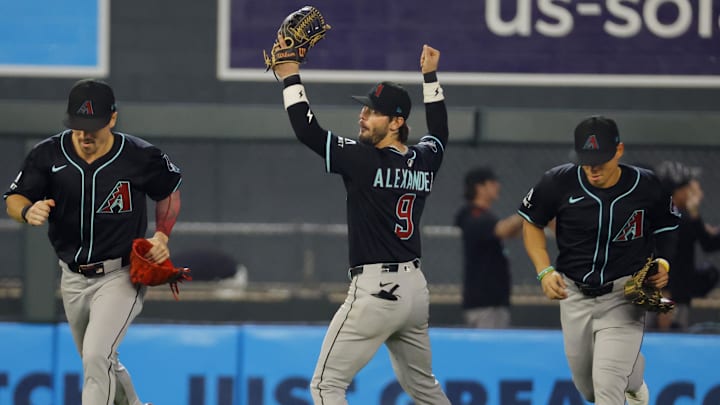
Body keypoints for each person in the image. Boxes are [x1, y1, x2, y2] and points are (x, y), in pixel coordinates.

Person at [271, 44, 450, 404]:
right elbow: (441, 132)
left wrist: (290, 75)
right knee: (425, 390)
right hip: (414, 291)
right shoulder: (425, 159)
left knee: (325, 385)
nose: (363, 116)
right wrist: (430, 78)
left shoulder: (364, 160)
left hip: (378, 290)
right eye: (365, 108)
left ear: (397, 123)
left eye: (374, 112)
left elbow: (309, 132)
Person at [4, 79, 182, 405]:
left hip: (121, 275)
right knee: (102, 361)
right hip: (72, 278)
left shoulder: (139, 156)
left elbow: (168, 192)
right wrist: (27, 210)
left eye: (93, 126)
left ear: (112, 119)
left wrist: (161, 233)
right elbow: (14, 198)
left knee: (96, 356)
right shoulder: (48, 154)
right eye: (78, 125)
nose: (85, 134)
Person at [517, 115, 680, 405]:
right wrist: (544, 271)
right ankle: (634, 376)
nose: (593, 168)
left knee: (606, 384)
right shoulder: (559, 181)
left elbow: (667, 227)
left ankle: (623, 369)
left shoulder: (646, 185)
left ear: (619, 151)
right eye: (586, 159)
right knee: (589, 389)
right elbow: (531, 223)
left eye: (601, 159)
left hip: (623, 295)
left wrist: (663, 263)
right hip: (573, 295)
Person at [653, 161, 720, 331]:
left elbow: (709, 242)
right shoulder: (677, 219)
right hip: (666, 300)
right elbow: (668, 260)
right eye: (688, 188)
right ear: (677, 191)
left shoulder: (678, 216)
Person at [454, 166, 523, 328]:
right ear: (479, 187)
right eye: (492, 182)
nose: (497, 186)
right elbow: (502, 229)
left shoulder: (487, 215)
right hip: (483, 303)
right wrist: (530, 209)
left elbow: (513, 231)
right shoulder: (471, 215)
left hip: (495, 301)